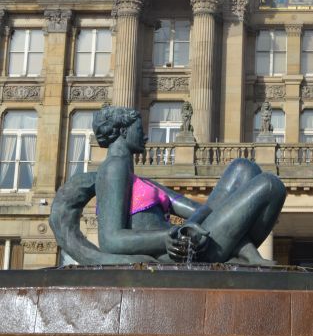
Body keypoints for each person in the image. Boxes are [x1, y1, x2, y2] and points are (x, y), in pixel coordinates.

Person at [51, 106, 286, 266]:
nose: (144, 135)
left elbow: (199, 210)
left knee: (244, 168)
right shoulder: (113, 169)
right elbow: (111, 240)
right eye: (138, 127)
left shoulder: (137, 179)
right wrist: (169, 237)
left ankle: (239, 253)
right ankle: (235, 252)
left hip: (191, 239)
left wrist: (190, 228)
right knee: (270, 185)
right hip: (179, 253)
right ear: (123, 131)